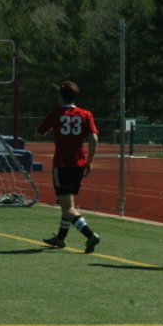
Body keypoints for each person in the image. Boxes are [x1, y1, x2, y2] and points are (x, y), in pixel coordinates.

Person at [34, 81, 100, 253]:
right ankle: (60, 238)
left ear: (60, 96)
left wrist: (49, 130)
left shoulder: (56, 113)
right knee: (68, 203)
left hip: (62, 165)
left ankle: (90, 235)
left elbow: (37, 134)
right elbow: (94, 138)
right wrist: (89, 161)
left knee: (67, 207)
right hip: (79, 164)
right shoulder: (86, 114)